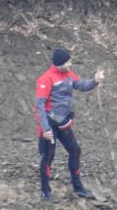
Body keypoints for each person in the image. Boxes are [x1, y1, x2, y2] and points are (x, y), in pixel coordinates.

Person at [35, 48, 104, 201]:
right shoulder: (46, 79)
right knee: (48, 156)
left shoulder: (68, 74)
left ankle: (78, 187)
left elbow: (81, 85)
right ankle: (45, 192)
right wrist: (45, 129)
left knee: (75, 150)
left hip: (63, 122)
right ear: (60, 64)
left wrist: (95, 81)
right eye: (68, 62)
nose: (71, 64)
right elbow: (39, 105)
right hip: (49, 125)